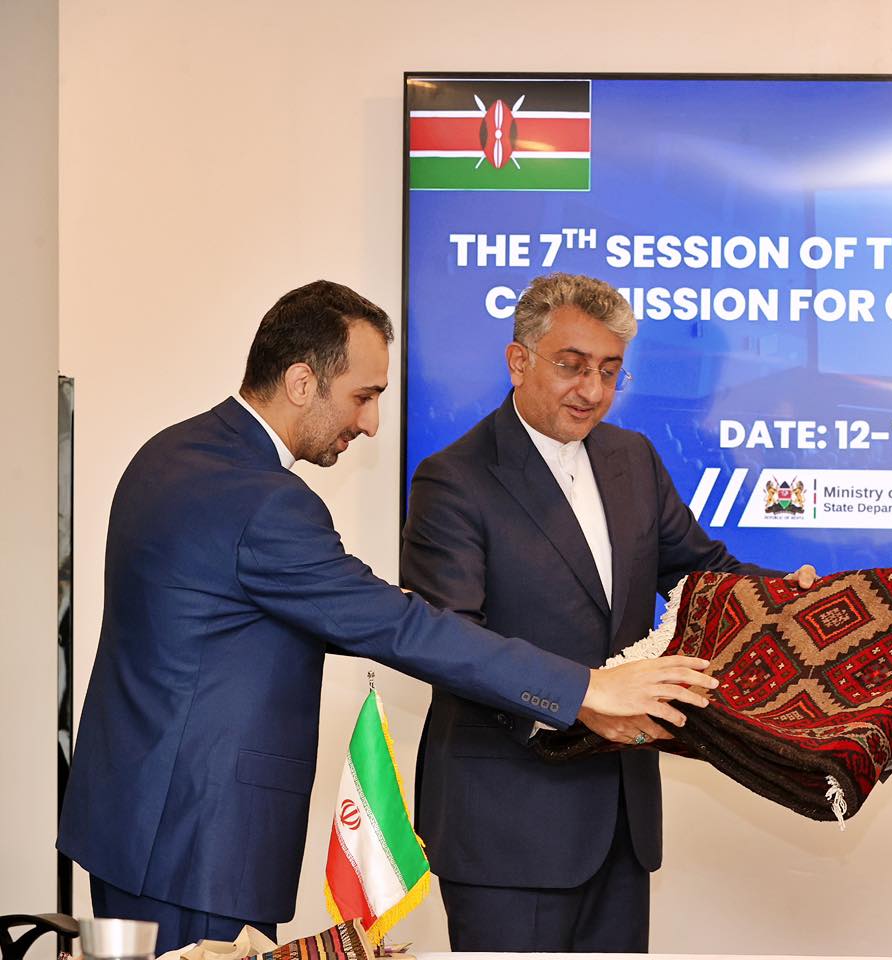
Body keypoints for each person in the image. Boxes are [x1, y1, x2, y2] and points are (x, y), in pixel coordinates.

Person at [56, 280, 717, 953]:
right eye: (363, 396)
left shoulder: (174, 453)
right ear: (302, 382)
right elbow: (400, 626)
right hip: (198, 839)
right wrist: (585, 689)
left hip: (138, 820)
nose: (371, 423)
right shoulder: (264, 501)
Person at [400, 272, 814, 953]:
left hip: (621, 818)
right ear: (518, 361)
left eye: (609, 370)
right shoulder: (454, 479)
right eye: (572, 366)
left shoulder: (633, 458)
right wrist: (581, 696)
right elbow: (446, 642)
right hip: (506, 827)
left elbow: (702, 573)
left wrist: (786, 597)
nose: (592, 390)